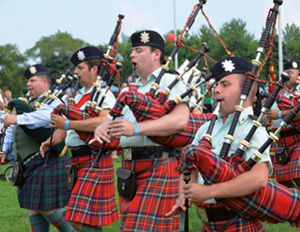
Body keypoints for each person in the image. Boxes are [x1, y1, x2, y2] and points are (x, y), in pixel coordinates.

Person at [92, 30, 190, 232]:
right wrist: (103, 128)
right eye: (132, 51)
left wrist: (136, 129)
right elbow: (117, 122)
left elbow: (180, 121)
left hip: (159, 163)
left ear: (156, 55)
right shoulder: (131, 90)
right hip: (129, 169)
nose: (132, 55)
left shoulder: (170, 82)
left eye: (138, 50)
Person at [167, 56, 273, 231]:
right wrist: (183, 196)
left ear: (245, 92)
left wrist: (209, 192)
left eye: (225, 84)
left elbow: (259, 178)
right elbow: (190, 169)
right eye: (217, 84)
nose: (216, 89)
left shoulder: (253, 129)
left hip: (240, 223)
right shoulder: (205, 129)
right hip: (208, 224)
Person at [40, 46, 119, 232]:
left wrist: (67, 124)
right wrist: (51, 141)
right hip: (76, 161)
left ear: (94, 69)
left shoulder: (104, 94)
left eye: (80, 67)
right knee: (86, 219)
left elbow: (103, 122)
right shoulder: (77, 97)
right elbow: (66, 129)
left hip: (95, 159)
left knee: (76, 218)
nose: (75, 72)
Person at [0, 64, 73, 232]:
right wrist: (4, 149)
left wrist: (18, 117)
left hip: (47, 160)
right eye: (28, 81)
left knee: (46, 207)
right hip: (28, 163)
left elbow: (44, 117)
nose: (28, 84)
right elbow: (11, 127)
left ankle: (72, 231)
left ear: (45, 82)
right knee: (33, 207)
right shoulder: (29, 102)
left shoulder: (56, 101)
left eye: (33, 80)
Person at [266, 61, 300, 188]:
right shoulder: (279, 92)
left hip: (297, 139)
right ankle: (295, 204)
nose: (286, 75)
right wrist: (266, 115)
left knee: (298, 177)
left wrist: (280, 114)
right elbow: (271, 112)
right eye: (285, 72)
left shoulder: (298, 92)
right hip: (281, 142)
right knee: (282, 181)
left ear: (298, 76)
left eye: (290, 73)